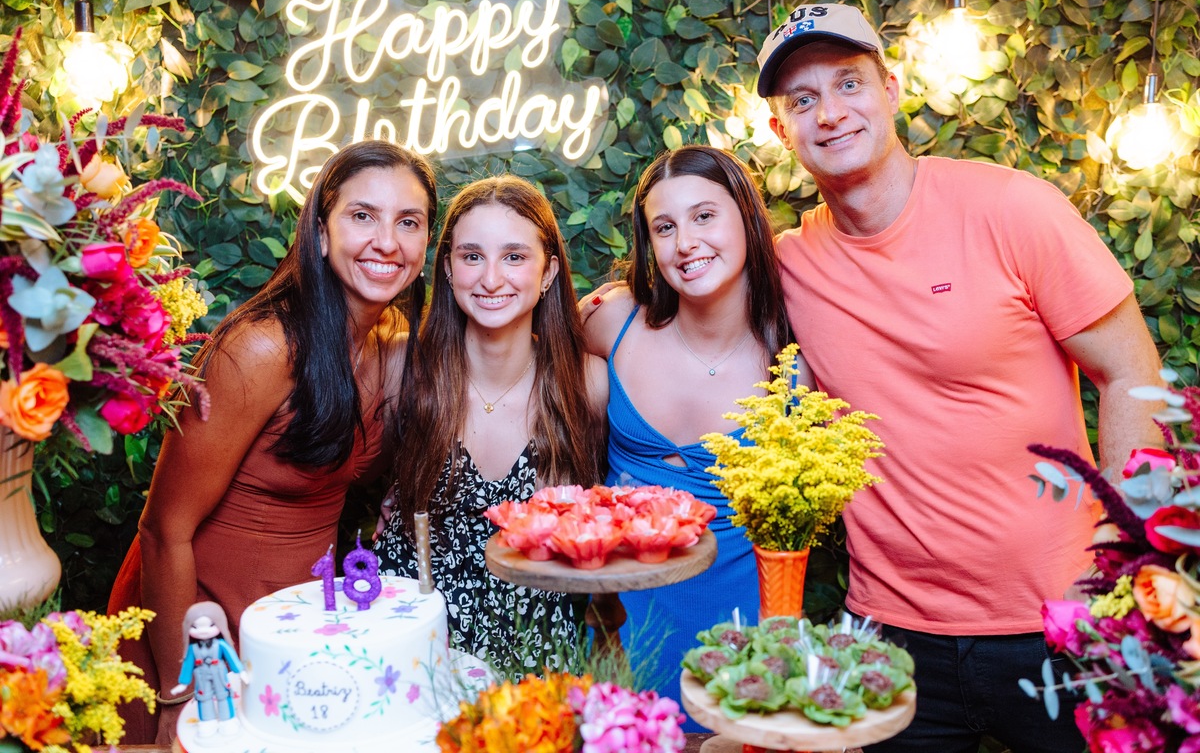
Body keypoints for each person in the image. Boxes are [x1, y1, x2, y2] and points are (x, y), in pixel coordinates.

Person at [758, 3, 1165, 751]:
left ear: (892, 87)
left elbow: (1132, 369)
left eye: (849, 84)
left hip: (1061, 623)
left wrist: (1125, 563)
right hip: (889, 635)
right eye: (803, 100)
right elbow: (687, 292)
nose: (830, 113)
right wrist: (606, 300)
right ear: (782, 131)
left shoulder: (1013, 209)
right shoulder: (790, 265)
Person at [107, 140, 436, 744]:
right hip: (198, 631)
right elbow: (163, 529)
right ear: (319, 231)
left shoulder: (390, 342)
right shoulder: (261, 347)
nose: (387, 241)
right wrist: (183, 691)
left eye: (408, 222)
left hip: (295, 634)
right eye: (362, 216)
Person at [581, 145, 803, 729]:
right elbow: (523, 369)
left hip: (742, 641)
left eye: (704, 216)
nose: (685, 243)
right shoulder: (613, 320)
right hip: (618, 632)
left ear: (747, 220)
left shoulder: (798, 353)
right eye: (665, 226)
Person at [375, 174, 607, 671]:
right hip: (417, 647)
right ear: (448, 268)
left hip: (540, 654)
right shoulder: (402, 368)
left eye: (515, 257)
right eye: (472, 255)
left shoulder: (586, 383)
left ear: (548, 272)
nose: (491, 278)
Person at [170, 602, 248, 738]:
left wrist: (240, 672)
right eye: (195, 627)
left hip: (219, 673)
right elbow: (188, 665)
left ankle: (227, 720)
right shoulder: (193, 649)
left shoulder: (221, 645)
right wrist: (183, 683)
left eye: (211, 625)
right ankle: (207, 721)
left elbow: (232, 658)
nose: (203, 631)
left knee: (223, 695)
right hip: (201, 675)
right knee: (203, 697)